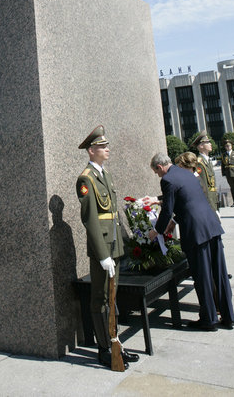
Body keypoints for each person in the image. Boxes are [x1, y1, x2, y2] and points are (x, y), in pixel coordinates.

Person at [147, 152, 234, 331]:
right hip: (211, 225)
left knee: (202, 276)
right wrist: (173, 222)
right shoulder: (187, 173)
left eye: (157, 172)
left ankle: (209, 319)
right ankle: (228, 316)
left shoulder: (167, 180)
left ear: (159, 167)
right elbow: (188, 201)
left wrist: (156, 231)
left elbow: (167, 210)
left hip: (196, 233)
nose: (158, 175)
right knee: (219, 273)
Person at [76, 125, 139, 368]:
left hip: (115, 246)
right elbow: (90, 220)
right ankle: (104, 348)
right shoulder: (86, 178)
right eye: (102, 147)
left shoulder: (105, 175)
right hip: (103, 249)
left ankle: (115, 343)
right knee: (100, 299)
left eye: (106, 146)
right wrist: (103, 255)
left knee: (111, 299)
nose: (107, 149)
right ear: (91, 151)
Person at [191, 131, 218, 212]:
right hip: (209, 201)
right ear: (201, 145)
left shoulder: (207, 160)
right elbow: (204, 187)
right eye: (207, 142)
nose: (210, 144)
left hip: (213, 198)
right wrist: (211, 205)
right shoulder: (200, 163)